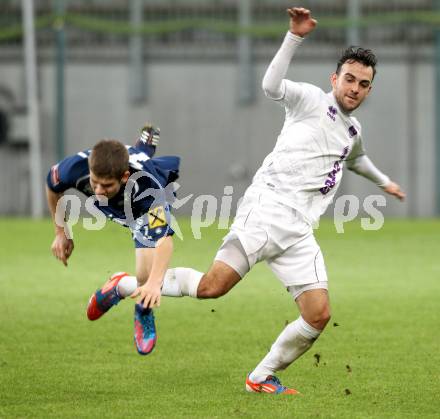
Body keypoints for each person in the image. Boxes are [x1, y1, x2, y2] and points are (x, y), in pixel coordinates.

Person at [155, 6, 404, 395]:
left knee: (319, 314)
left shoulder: (353, 130)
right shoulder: (309, 99)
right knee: (210, 289)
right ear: (334, 78)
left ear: (370, 89)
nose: (355, 88)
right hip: (266, 212)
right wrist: (295, 37)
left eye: (364, 84)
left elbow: (357, 160)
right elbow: (271, 86)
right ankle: (130, 284)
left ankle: (260, 376)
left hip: (299, 232)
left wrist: (385, 182)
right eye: (350, 79)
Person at [46, 124, 180, 355]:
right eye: (94, 182)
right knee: (141, 154)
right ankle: (145, 142)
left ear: (124, 176)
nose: (98, 190)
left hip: (138, 210)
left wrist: (153, 284)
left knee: (145, 277)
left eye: (106, 185)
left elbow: (164, 240)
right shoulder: (73, 168)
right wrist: (61, 232)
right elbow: (52, 186)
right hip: (124, 191)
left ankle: (139, 307)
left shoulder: (148, 190)